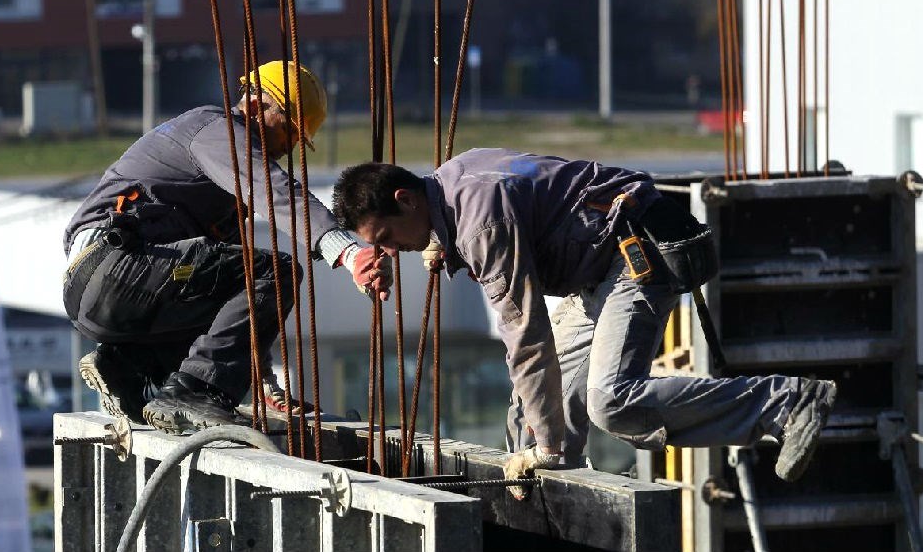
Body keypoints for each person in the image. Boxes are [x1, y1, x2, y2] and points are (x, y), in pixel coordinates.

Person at [331, 149, 837, 496]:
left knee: (610, 401)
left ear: (405, 200)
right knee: (527, 430)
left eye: (389, 238)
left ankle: (788, 402)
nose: (392, 252)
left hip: (633, 254)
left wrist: (549, 442)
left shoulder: (482, 223)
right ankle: (557, 497)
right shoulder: (452, 176)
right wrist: (440, 240)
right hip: (594, 267)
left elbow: (526, 336)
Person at [63, 60, 390, 433]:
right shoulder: (215, 130)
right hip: (114, 266)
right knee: (278, 271)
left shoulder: (219, 188)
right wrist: (349, 252)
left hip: (109, 282)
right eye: (288, 130)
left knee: (238, 282)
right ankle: (194, 390)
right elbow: (276, 192)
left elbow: (244, 302)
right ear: (255, 107)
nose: (289, 147)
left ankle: (125, 365)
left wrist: (265, 386)